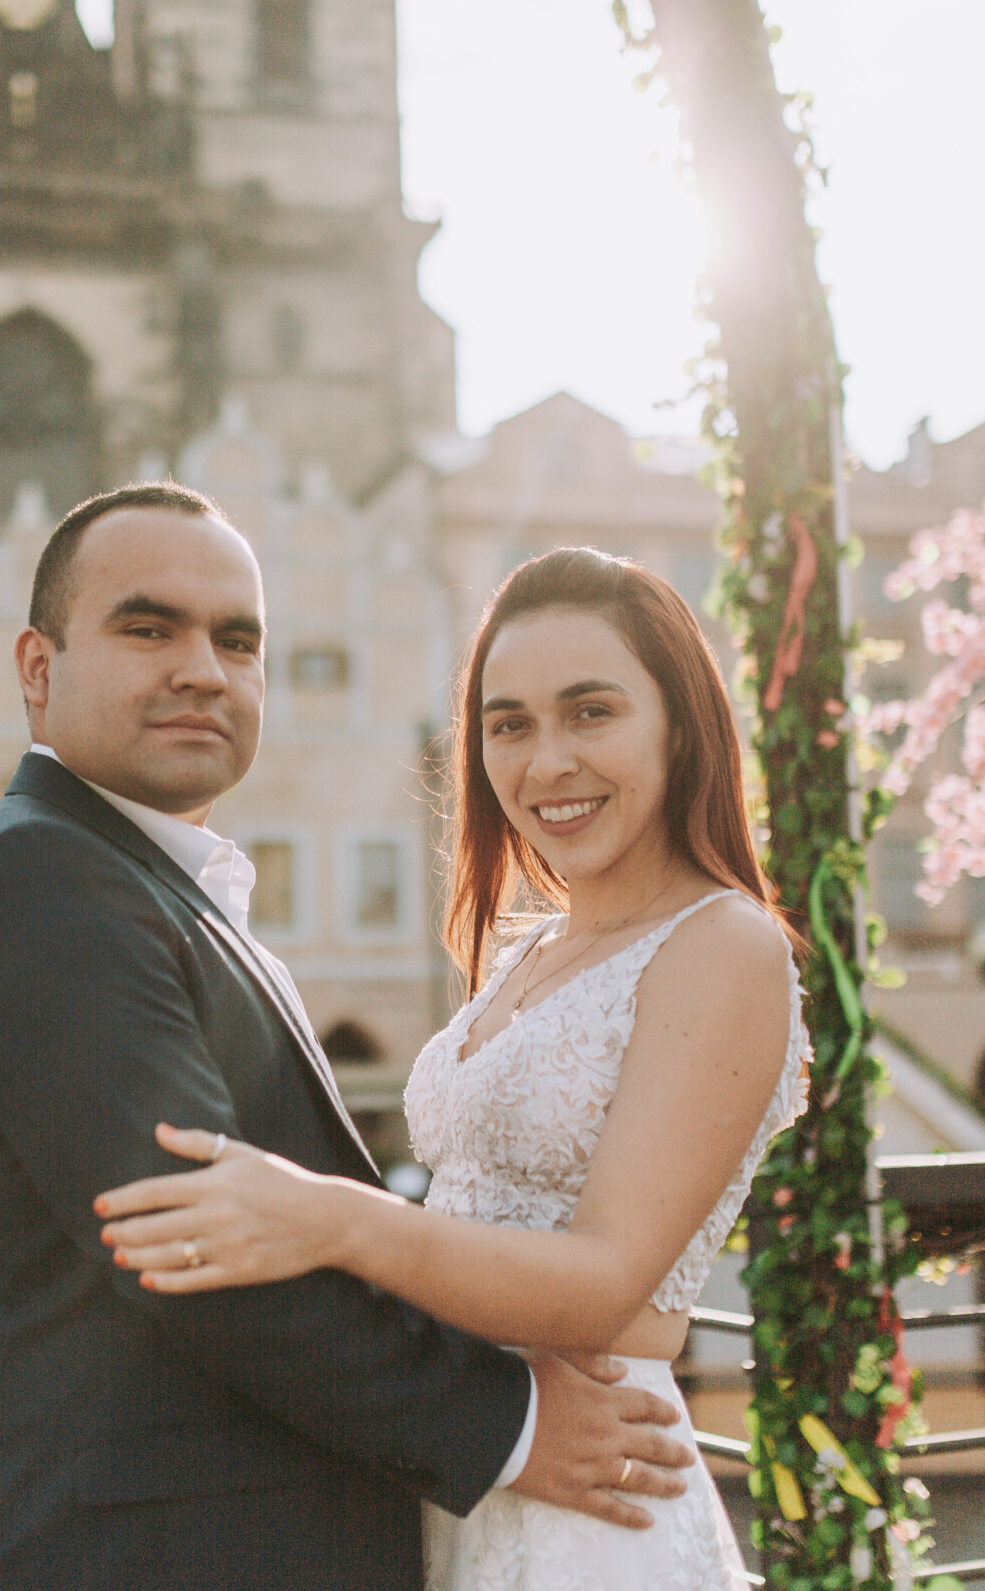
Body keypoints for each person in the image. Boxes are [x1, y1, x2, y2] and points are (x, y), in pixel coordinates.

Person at [0, 491, 699, 1590]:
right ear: (37, 669)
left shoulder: (137, 880)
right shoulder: (39, 881)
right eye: (149, 629)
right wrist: (508, 1425)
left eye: (237, 640)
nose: (202, 669)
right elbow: (194, 1248)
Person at [96, 546, 811, 1590]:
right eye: (508, 723)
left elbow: (606, 1286)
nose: (545, 761)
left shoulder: (723, 946)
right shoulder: (527, 948)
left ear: (680, 724)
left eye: (591, 712)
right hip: (469, 1463)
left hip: (595, 1500)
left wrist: (335, 1218)